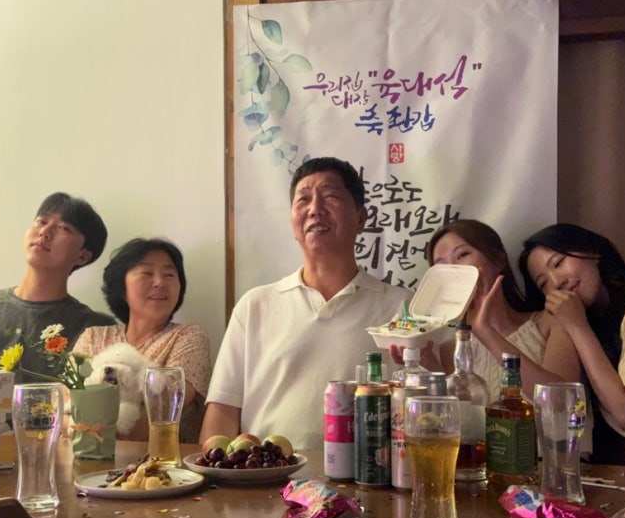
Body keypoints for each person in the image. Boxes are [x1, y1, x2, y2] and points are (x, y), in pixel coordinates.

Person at [200, 157, 410, 450]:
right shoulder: (255, 305)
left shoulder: (402, 307)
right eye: (303, 200)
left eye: (330, 196)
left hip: (367, 473)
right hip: (265, 472)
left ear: (361, 218)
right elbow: (222, 411)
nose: (314, 209)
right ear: (292, 220)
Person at [390, 220, 581, 401]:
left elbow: (561, 402)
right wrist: (429, 369)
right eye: (441, 266)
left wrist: (484, 330)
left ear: (498, 259)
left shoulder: (552, 321)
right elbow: (458, 419)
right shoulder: (450, 351)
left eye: (462, 255)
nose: (453, 270)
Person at [519, 223, 625, 465]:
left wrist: (577, 325)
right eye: (543, 284)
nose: (556, 282)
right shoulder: (597, 333)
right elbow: (555, 399)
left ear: (592, 252)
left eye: (558, 263)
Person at [0, 192, 115, 382]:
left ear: (82, 256)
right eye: (41, 221)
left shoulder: (96, 329)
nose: (45, 232)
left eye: (64, 228)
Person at [73, 238, 211, 443]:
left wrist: (88, 430)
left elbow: (158, 418)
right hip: (85, 458)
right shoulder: (93, 337)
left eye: (169, 275)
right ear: (121, 288)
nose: (160, 282)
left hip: (163, 460)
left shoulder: (188, 336)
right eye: (146, 273)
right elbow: (67, 407)